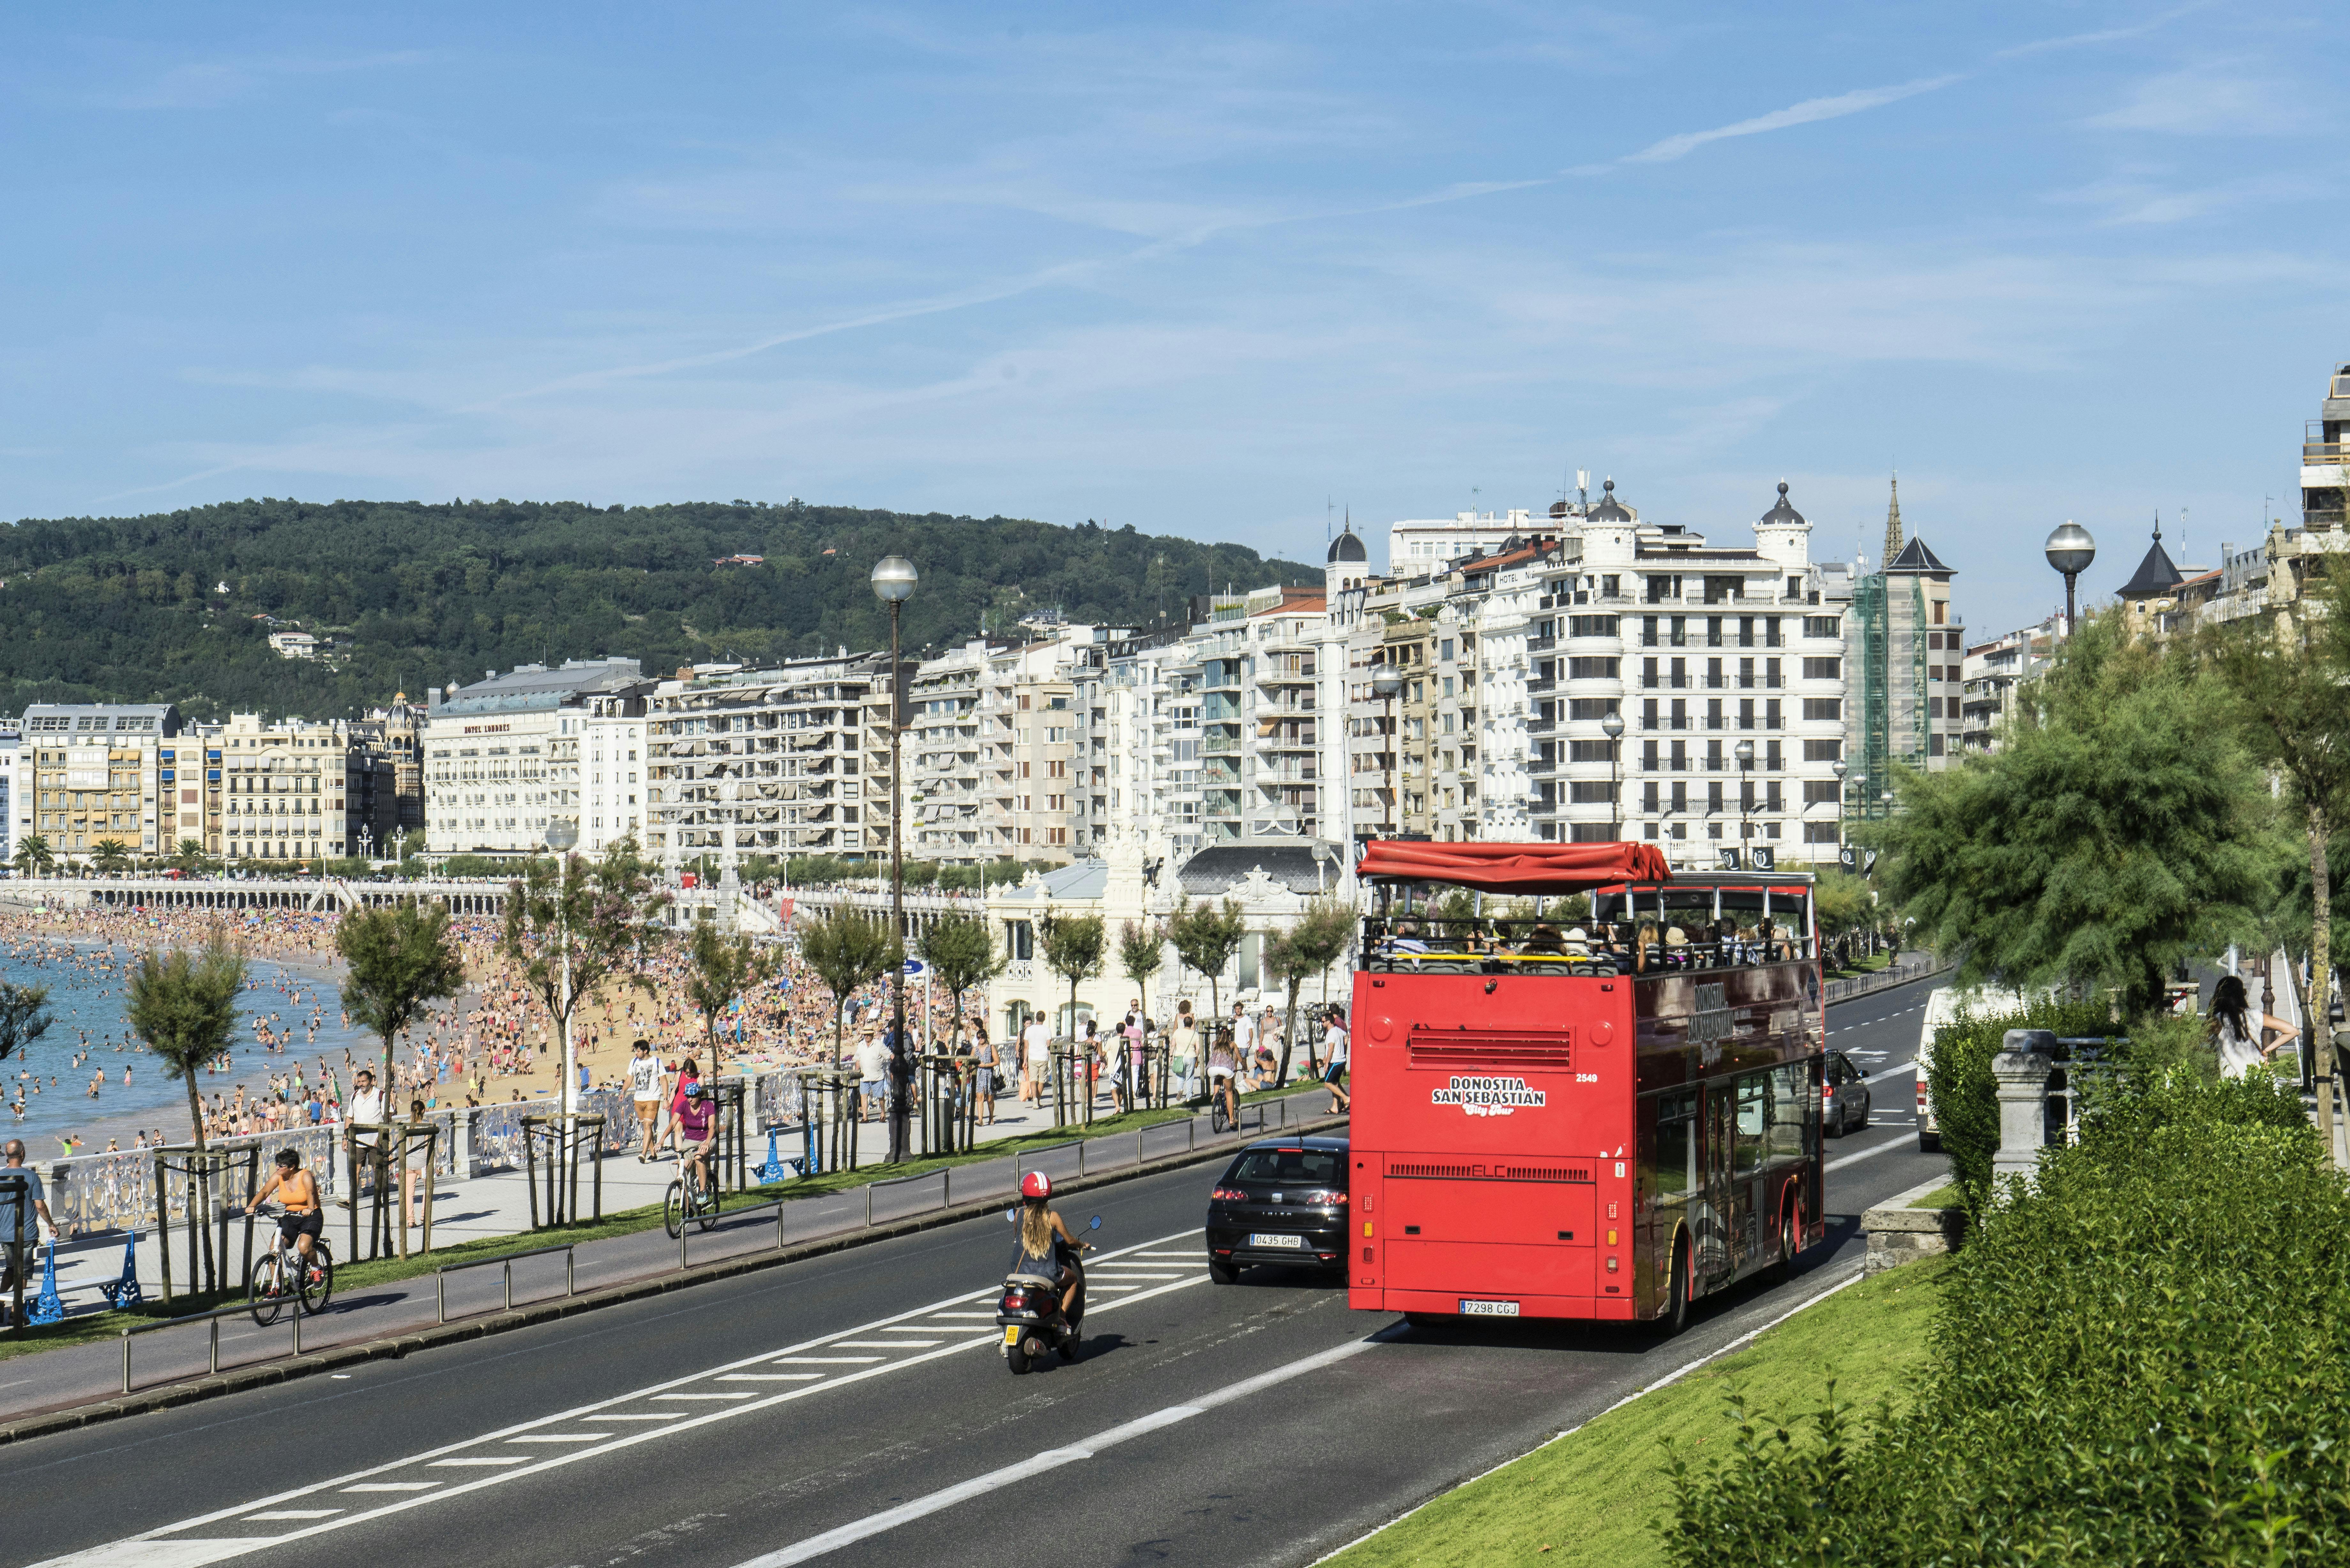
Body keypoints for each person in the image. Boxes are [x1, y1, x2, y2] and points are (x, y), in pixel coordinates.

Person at [1009, 1171, 1088, 1320]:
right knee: (1073, 1281)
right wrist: (1082, 1245)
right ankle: (1062, 1316)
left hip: (1019, 1272)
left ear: (1025, 1196)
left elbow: (1016, 1238)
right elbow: (1070, 1241)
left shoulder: (1019, 1215)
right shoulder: (1053, 1217)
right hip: (1048, 1273)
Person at [245, 1146, 323, 1273]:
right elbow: (265, 1192)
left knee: (304, 1247)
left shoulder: (306, 1176)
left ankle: (316, 1269)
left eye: (281, 1166)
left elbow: (311, 1193)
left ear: (292, 1167)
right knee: (275, 1248)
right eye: (277, 1164)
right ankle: (276, 1287)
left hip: (311, 1217)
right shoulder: (279, 1176)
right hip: (290, 1217)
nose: (277, 1168)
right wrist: (252, 1206)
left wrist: (310, 1208)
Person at [0, 1140, 54, 1322]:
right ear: (23, 1154)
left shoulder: (1, 1177)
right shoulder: (31, 1177)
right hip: (25, 1232)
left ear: (7, 1156)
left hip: (5, 1232)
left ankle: (0, 1302)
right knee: (22, 1272)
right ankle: (16, 1312)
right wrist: (52, 1224)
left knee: (10, 1268)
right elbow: (40, 1206)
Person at [671, 1057, 718, 1196]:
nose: (688, 1074)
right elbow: (675, 1089)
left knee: (698, 1157)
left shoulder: (699, 1081)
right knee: (678, 1131)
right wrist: (668, 1100)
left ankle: (703, 1190)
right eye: (687, 1072)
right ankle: (686, 1200)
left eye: (690, 1073)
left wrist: (708, 1142)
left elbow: (712, 1126)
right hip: (681, 1105)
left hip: (697, 1115)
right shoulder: (680, 1074)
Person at [627, 1040, 665, 1160]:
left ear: (646, 1051)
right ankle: (653, 1154)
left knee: (648, 1126)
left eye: (638, 1051)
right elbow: (629, 1079)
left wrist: (666, 1098)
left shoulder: (657, 1062)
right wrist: (623, 1092)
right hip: (638, 1099)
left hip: (653, 1098)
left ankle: (643, 1153)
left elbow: (664, 1080)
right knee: (646, 1127)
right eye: (635, 1051)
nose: (636, 1054)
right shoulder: (634, 1062)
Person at [855, 1032, 889, 1123]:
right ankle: (865, 1117)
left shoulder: (879, 1044)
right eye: (865, 1034)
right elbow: (858, 1060)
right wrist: (856, 1072)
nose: (866, 1036)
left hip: (877, 1076)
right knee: (864, 1095)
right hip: (864, 1076)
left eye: (868, 1034)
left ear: (872, 1035)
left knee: (880, 1096)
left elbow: (889, 1055)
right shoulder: (861, 1045)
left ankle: (883, 1113)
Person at [1322, 1006, 1351, 1113]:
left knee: (1328, 1083)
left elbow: (1331, 1049)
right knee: (1335, 1083)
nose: (1322, 1024)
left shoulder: (1331, 1033)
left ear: (1329, 1022)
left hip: (1336, 1061)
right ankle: (1335, 1107)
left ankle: (1346, 1098)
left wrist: (1327, 1063)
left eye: (1323, 1022)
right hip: (1342, 1061)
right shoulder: (1339, 1030)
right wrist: (1343, 1045)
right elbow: (1346, 1036)